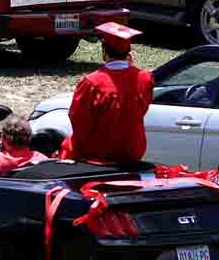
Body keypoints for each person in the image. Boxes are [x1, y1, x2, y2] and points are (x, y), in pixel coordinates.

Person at [60, 22, 154, 165]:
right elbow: (142, 109)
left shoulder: (91, 82)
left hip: (98, 155)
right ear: (128, 52)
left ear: (104, 51)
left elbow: (79, 120)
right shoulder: (144, 79)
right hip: (132, 152)